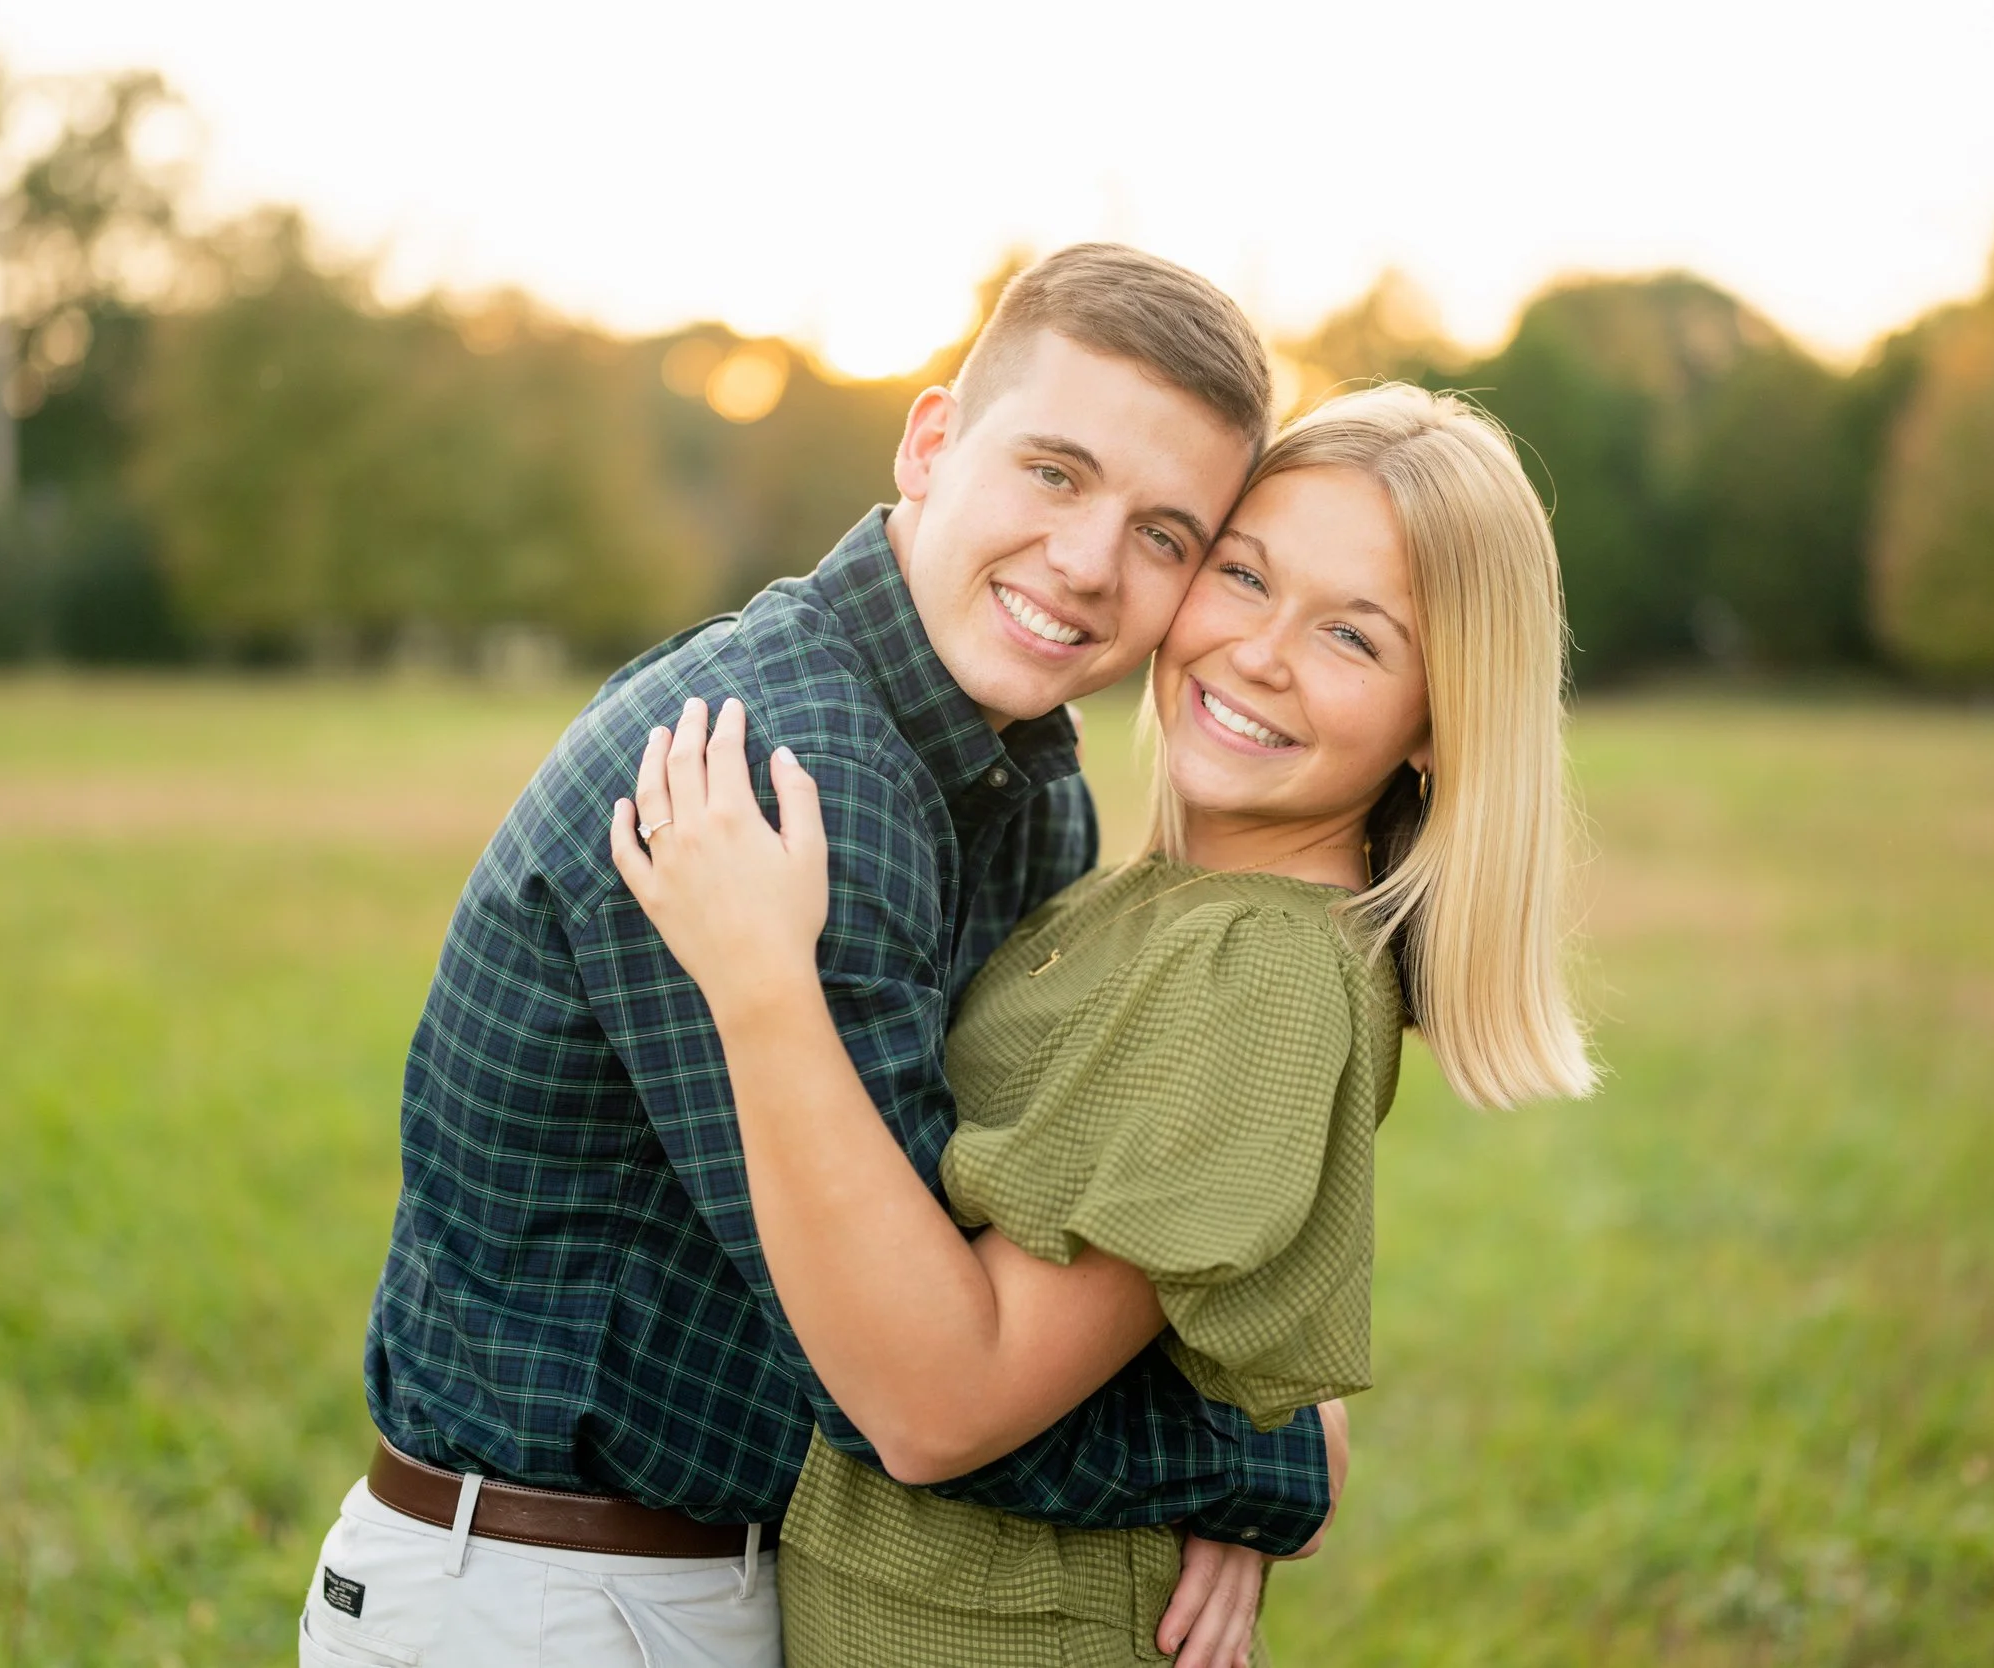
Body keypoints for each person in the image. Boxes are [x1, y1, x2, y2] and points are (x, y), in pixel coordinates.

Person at [299, 245, 1341, 1668]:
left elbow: (986, 1252)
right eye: (1054, 472)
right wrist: (1259, 1465)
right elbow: (913, 1376)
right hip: (553, 1599)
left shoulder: (1021, 788)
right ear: (931, 445)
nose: (1091, 563)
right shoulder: (788, 765)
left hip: (693, 1583)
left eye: (1166, 534)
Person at [611, 384, 1599, 1665]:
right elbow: (1171, 1321)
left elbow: (940, 1405)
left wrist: (757, 984)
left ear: (1437, 724)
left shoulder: (1264, 964)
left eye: (1353, 639)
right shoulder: (1168, 904)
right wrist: (1255, 1463)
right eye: (1243, 576)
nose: (1258, 652)